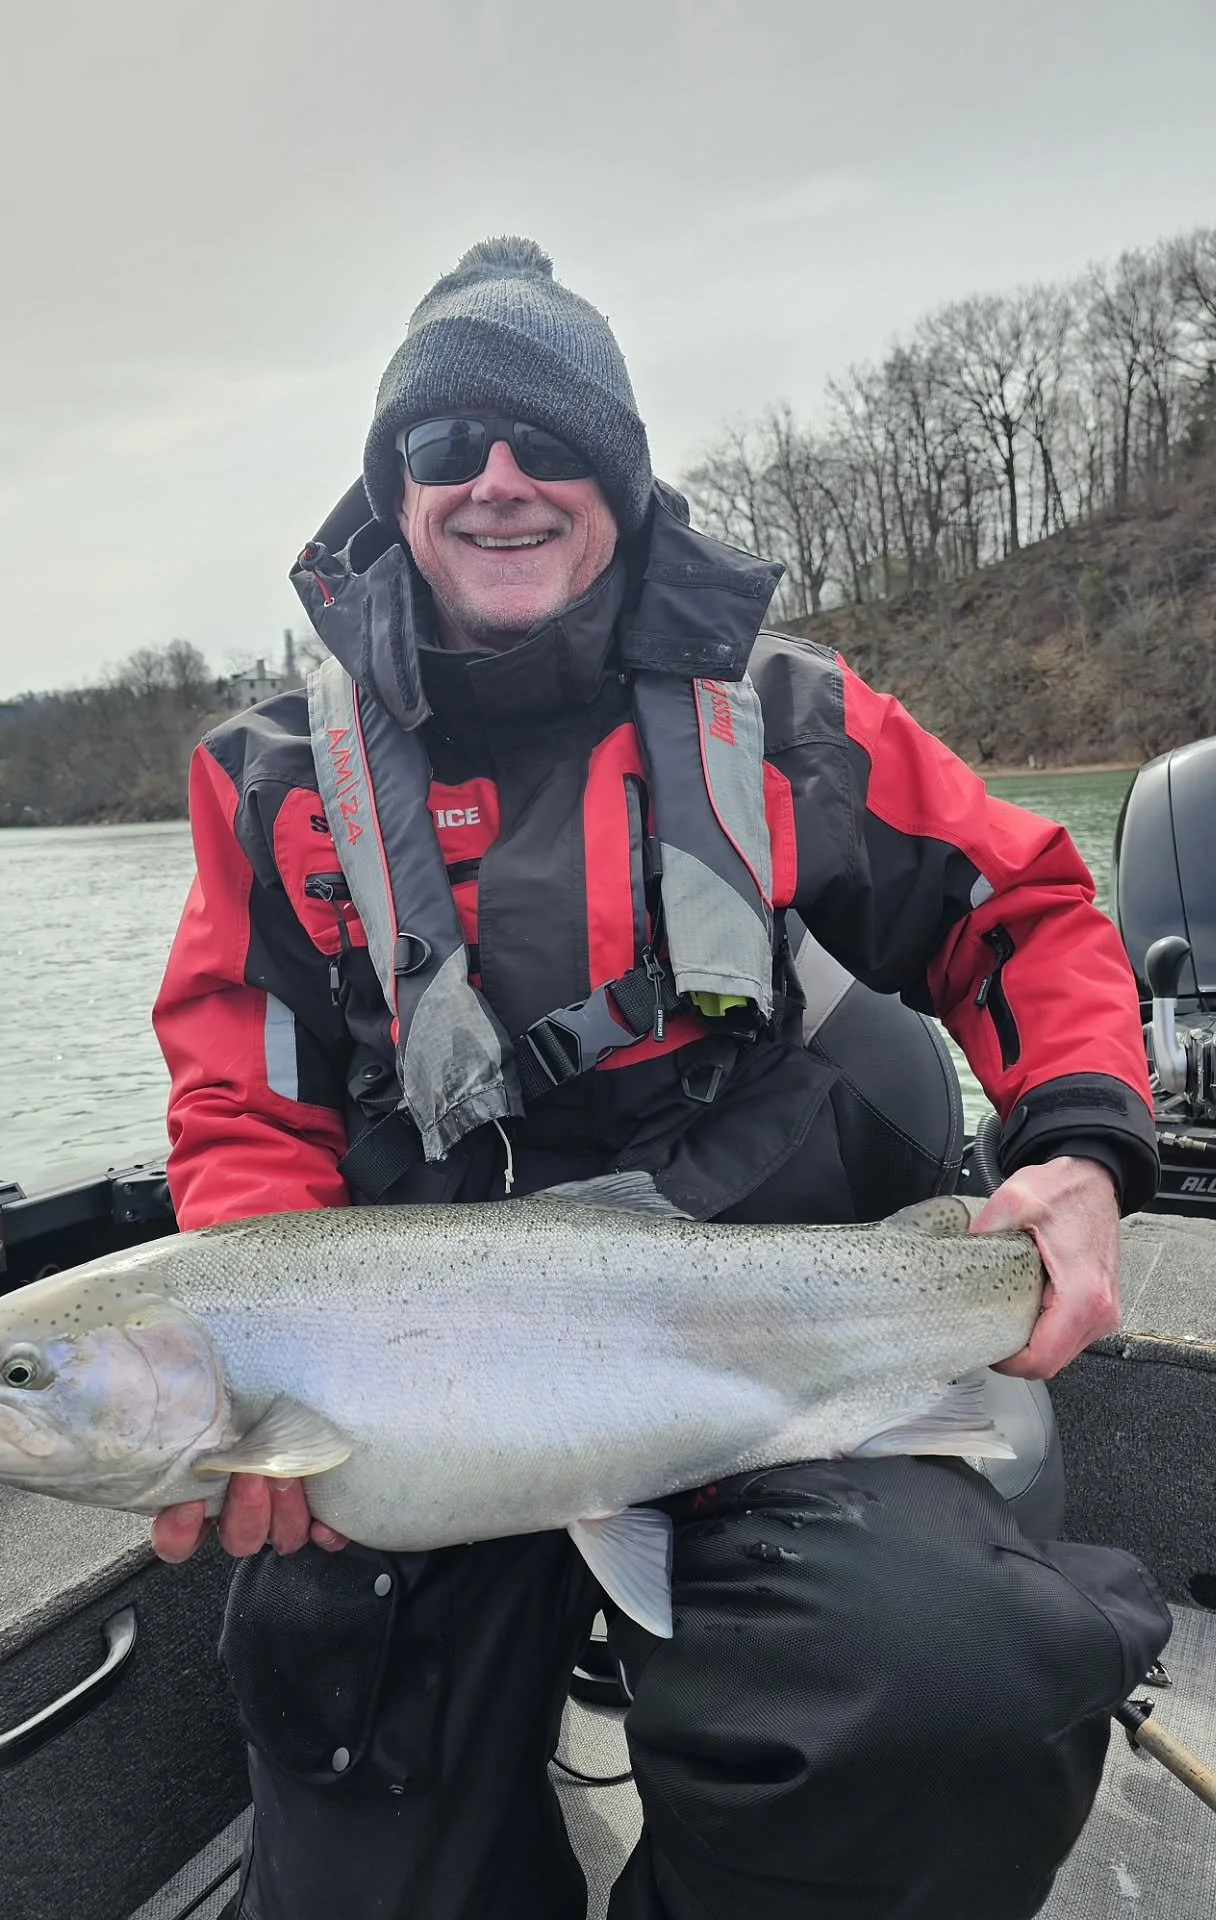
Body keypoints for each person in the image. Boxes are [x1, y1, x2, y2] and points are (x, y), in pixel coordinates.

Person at [150, 237, 1171, 1920]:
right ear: (392, 489)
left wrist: (1077, 1149)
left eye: (549, 442)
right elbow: (242, 1110)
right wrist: (256, 1379)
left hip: (744, 1345)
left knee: (958, 1688)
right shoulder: (267, 785)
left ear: (617, 477)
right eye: (444, 447)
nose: (498, 482)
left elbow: (1026, 908)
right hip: (413, 1400)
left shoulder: (783, 717)